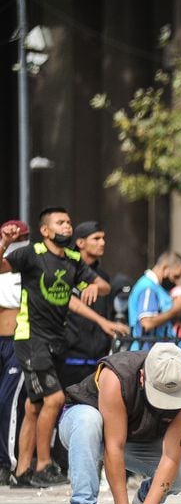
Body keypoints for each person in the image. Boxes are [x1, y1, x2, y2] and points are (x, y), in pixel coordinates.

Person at [0, 208, 118, 488]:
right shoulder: (31, 253)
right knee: (54, 400)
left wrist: (93, 286)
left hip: (54, 341)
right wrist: (3, 242)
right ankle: (43, 466)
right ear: (46, 230)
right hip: (31, 338)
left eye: (69, 222)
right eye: (60, 223)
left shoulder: (73, 260)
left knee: (34, 405)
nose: (67, 227)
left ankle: (23, 470)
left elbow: (104, 286)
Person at [59, 342, 181, 504]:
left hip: (134, 439)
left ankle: (146, 500)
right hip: (85, 430)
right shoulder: (117, 376)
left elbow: (172, 456)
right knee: (88, 420)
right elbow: (113, 446)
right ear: (142, 377)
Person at [62, 222, 126, 387]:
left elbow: (107, 312)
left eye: (103, 238)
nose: (102, 243)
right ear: (80, 243)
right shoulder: (64, 271)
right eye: (96, 238)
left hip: (96, 360)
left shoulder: (102, 276)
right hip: (68, 359)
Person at [0, 220, 29, 486]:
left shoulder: (26, 262)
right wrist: (4, 243)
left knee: (7, 402)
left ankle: (7, 463)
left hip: (17, 340)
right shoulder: (4, 260)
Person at [128, 252, 181, 341]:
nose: (176, 282)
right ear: (165, 268)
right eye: (175, 276)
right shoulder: (148, 287)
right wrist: (175, 309)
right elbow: (147, 323)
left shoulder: (159, 289)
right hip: (145, 351)